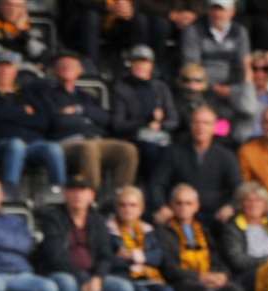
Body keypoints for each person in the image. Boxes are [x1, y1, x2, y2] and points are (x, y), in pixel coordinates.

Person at [29, 50, 138, 192]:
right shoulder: (47, 95)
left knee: (128, 150)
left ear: (80, 70)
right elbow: (55, 121)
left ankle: (121, 195)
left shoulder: (86, 96)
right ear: (55, 70)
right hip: (66, 142)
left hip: (96, 140)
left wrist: (79, 110)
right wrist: (85, 117)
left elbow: (105, 119)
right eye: (63, 65)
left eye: (71, 66)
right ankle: (91, 195)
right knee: (88, 148)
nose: (67, 68)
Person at [36, 175, 136, 291]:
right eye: (73, 190)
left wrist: (98, 279)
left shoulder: (98, 220)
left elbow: (105, 255)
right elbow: (56, 257)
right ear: (65, 194)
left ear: (91, 195)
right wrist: (82, 280)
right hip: (60, 273)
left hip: (92, 275)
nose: (78, 195)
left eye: (83, 191)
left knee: (123, 289)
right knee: (67, 282)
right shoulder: (53, 218)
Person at [0, 48, 65, 189]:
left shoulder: (28, 94)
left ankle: (59, 191)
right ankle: (10, 191)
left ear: (15, 70)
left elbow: (43, 121)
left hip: (34, 143)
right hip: (2, 143)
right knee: (17, 145)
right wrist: (23, 111)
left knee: (53, 148)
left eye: (8, 66)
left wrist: (10, 114)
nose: (4, 71)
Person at [111, 44, 179, 204]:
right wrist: (145, 122)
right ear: (130, 64)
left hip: (161, 136)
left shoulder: (161, 87)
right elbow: (118, 125)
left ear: (152, 65)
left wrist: (161, 125)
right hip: (135, 138)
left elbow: (174, 119)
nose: (141, 66)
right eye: (137, 62)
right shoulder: (121, 88)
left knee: (175, 154)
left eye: (145, 62)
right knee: (151, 152)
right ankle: (152, 199)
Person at [158, 183, 246, 291]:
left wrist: (222, 275)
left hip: (206, 278)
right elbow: (169, 268)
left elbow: (217, 258)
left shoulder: (204, 230)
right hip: (181, 281)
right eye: (179, 203)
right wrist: (200, 277)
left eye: (188, 203)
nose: (183, 207)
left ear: (196, 206)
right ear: (171, 206)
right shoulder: (163, 232)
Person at [159, 105, 241, 224]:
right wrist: (162, 206)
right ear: (191, 126)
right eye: (196, 122)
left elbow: (237, 187)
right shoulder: (174, 152)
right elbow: (157, 183)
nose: (200, 127)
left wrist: (230, 206)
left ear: (214, 127)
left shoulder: (226, 156)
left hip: (216, 216)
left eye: (206, 123)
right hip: (180, 214)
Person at [107, 185, 176, 291]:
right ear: (116, 208)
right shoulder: (108, 230)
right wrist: (133, 262)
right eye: (123, 205)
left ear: (141, 209)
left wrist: (133, 255)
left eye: (133, 205)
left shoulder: (148, 229)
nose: (127, 209)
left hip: (149, 276)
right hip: (124, 277)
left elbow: (158, 256)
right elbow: (109, 258)